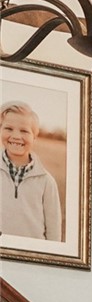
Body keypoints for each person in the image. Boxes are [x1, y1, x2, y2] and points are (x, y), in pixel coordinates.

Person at [0, 100, 62, 242]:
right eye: (9, 128)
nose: (16, 136)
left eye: (24, 131)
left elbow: (54, 233)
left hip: (32, 260)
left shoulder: (47, 182)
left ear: (34, 137)